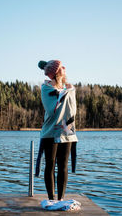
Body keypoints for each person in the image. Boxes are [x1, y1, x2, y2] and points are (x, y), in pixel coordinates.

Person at [37, 60, 78, 201]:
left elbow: (73, 110)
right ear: (55, 72)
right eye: (61, 67)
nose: (64, 69)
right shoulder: (46, 88)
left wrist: (67, 90)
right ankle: (51, 198)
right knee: (50, 164)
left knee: (63, 166)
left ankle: (60, 199)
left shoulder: (69, 88)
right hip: (50, 131)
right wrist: (64, 92)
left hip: (67, 131)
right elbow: (52, 108)